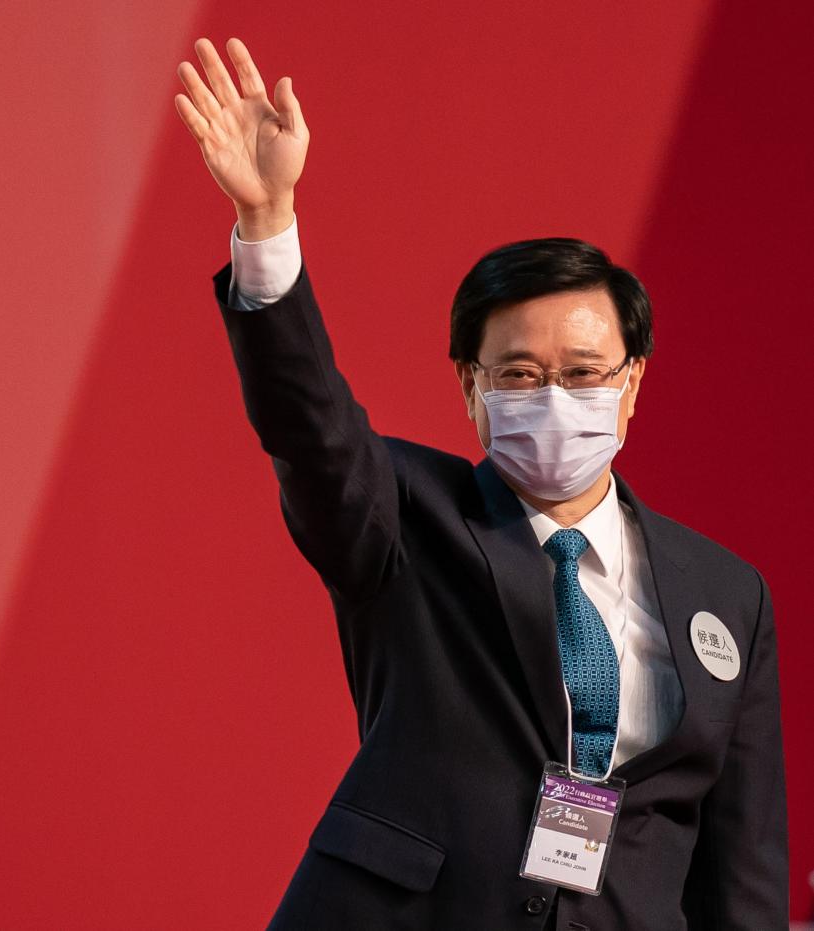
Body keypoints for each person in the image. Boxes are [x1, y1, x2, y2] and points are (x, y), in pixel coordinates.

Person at [175, 37, 788, 930]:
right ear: (469, 387)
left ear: (632, 384)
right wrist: (267, 222)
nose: (553, 399)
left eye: (583, 372)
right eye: (518, 375)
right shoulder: (401, 518)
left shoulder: (727, 594)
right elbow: (308, 428)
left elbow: (743, 866)